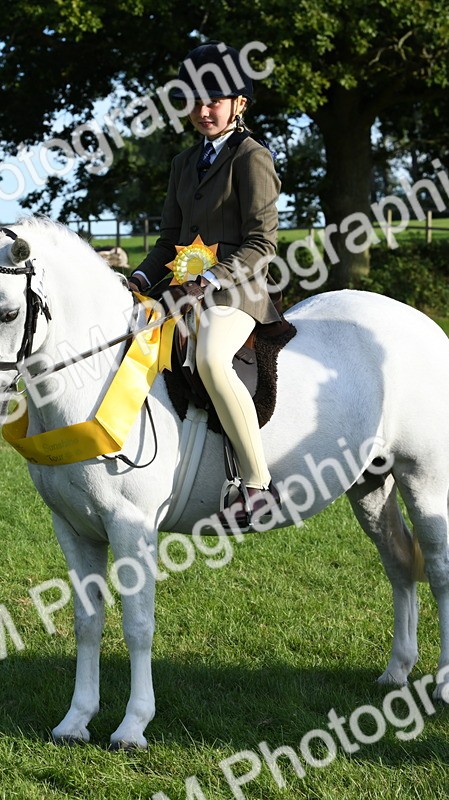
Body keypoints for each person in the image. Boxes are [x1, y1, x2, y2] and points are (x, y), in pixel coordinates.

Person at [127, 41, 282, 529]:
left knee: (212, 358)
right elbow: (169, 240)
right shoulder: (181, 164)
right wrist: (137, 279)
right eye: (194, 100)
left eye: (214, 99)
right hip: (180, 290)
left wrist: (209, 281)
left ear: (240, 103)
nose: (202, 109)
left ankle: (257, 485)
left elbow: (263, 243)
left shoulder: (251, 158)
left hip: (239, 293)